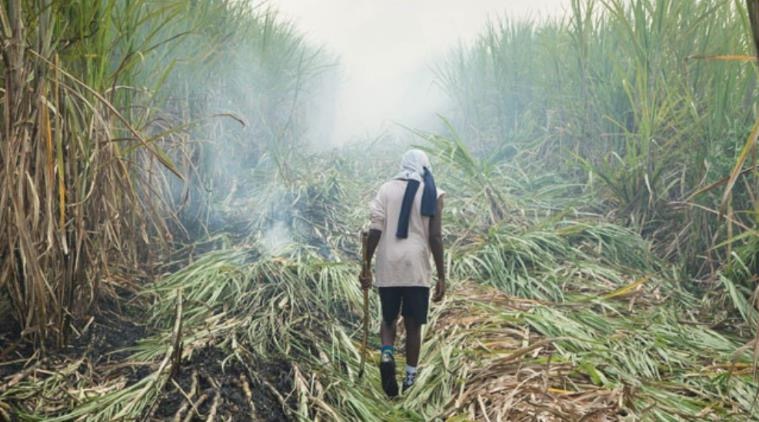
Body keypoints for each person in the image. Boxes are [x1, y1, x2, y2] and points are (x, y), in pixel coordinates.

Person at [359, 149, 446, 397]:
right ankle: (409, 379)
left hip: (389, 265)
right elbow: (436, 237)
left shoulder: (386, 189)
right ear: (425, 167)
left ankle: (387, 355)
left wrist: (366, 264)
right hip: (417, 268)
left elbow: (375, 228)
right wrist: (442, 275)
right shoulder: (433, 193)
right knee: (413, 325)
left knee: (388, 320)